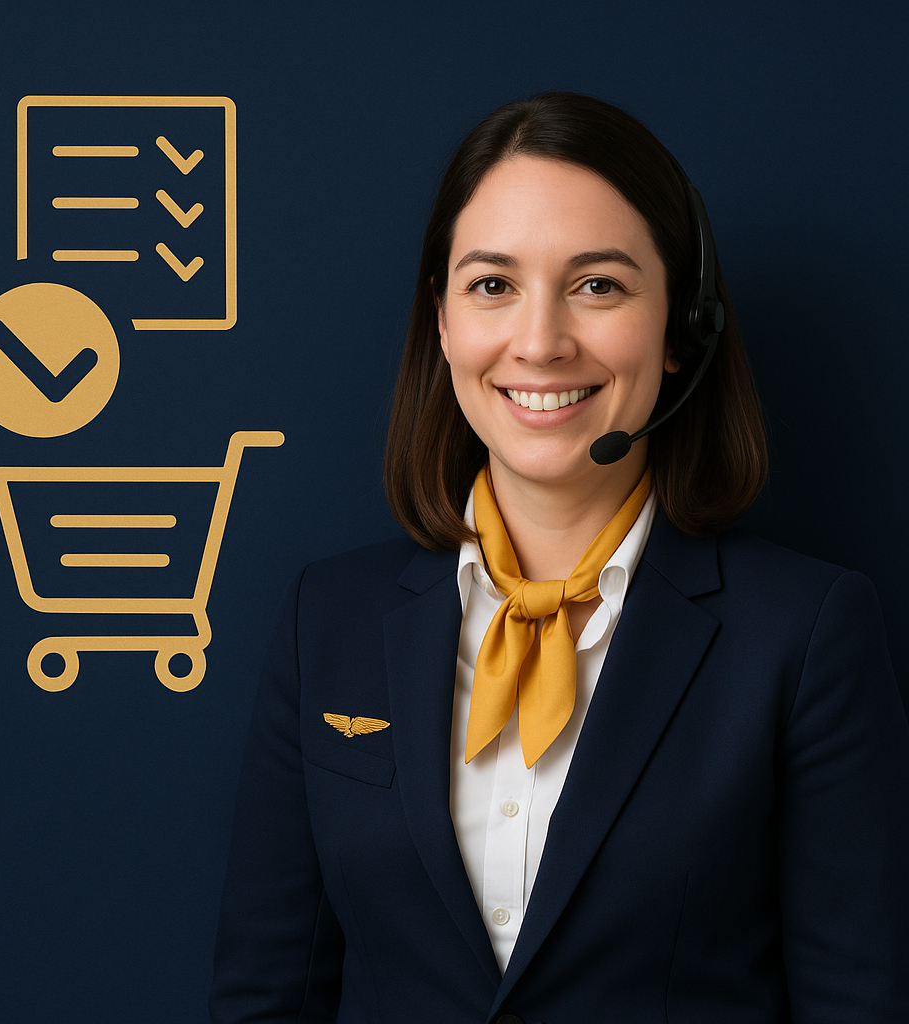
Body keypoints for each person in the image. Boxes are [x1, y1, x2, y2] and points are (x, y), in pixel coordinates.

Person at [209, 93, 909, 1023]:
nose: (539, 343)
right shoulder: (325, 619)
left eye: (599, 286)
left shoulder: (806, 633)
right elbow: (265, 996)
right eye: (493, 285)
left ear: (682, 330)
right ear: (444, 322)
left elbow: (857, 1003)